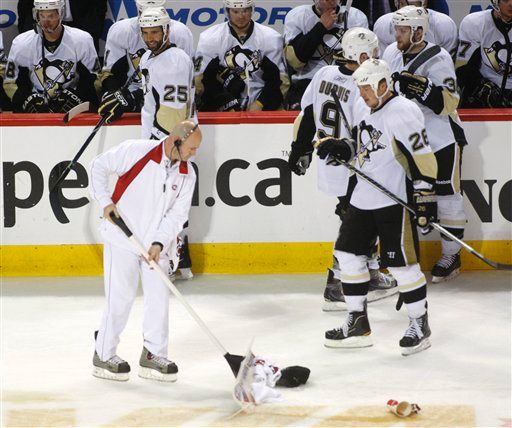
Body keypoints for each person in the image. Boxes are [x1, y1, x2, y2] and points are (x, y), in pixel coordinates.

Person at [317, 58, 437, 356]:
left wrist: (424, 199)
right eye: (359, 88)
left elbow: (423, 156)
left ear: (384, 84)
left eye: (367, 88)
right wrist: (342, 147)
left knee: (401, 265)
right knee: (347, 254)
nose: (362, 94)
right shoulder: (366, 105)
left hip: (394, 200)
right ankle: (357, 322)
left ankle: (419, 323)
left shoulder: (403, 111)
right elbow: (363, 146)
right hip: (363, 196)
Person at [288, 27, 397, 312]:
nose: (375, 57)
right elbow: (366, 131)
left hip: (329, 163)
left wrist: (300, 148)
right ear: (361, 54)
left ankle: (370, 273)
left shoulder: (324, 73)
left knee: (361, 217)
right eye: (372, 53)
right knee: (356, 223)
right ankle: (336, 285)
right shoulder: (362, 86)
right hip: (353, 164)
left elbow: (308, 113)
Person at [89, 120, 202, 382]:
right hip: (122, 238)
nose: (194, 153)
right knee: (121, 297)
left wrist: (159, 242)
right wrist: (105, 202)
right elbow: (98, 166)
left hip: (156, 246)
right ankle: (104, 354)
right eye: (191, 148)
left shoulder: (187, 173)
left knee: (158, 298)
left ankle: (153, 355)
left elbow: (178, 214)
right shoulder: (136, 151)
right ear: (176, 141)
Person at [383, 6, 468, 283]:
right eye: (396, 29)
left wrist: (426, 90)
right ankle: (404, 259)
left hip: (440, 137)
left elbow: (450, 103)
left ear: (419, 31)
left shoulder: (439, 58)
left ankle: (451, 254)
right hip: (406, 140)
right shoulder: (390, 54)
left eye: (403, 30)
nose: (397, 35)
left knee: (447, 198)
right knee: (403, 198)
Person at [98, 0, 194, 118]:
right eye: (145, 31)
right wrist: (116, 96)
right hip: (139, 101)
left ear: (166, 30)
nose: (149, 38)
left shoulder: (180, 47)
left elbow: (176, 87)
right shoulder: (142, 54)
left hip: (169, 108)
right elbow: (111, 72)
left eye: (154, 31)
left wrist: (133, 98)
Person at [3, 0, 100, 113]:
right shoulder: (21, 43)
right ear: (36, 15)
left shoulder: (82, 40)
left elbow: (95, 79)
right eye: (42, 16)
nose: (46, 22)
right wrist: (26, 100)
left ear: (61, 14)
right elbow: (10, 83)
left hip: (73, 111)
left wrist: (78, 97)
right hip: (36, 110)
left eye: (51, 16)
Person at [194, 0, 289, 112]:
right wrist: (226, 103)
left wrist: (261, 103)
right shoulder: (210, 38)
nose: (241, 16)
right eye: (235, 11)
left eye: (245, 10)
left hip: (263, 105)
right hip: (222, 106)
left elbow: (280, 80)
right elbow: (201, 81)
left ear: (252, 10)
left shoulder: (271, 38)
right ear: (227, 11)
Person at [283, 0, 368, 110]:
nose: (332, 2)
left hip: (347, 81)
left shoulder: (356, 17)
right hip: (308, 81)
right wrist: (320, 27)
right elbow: (295, 61)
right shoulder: (298, 16)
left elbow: (364, 61)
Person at [456, 0, 512, 108]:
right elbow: (463, 68)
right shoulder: (474, 23)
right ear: (496, 2)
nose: (511, 4)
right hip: (488, 87)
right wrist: (479, 86)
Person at [373, 0, 458, 60]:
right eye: (403, 4)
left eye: (414, 6)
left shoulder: (444, 25)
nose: (409, 11)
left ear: (425, 4)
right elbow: (385, 69)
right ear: (397, 3)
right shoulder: (383, 24)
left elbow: (445, 67)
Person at [17, 0, 107, 53]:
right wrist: (28, 34)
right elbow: (25, 8)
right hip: (43, 25)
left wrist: (89, 35)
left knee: (87, 75)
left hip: (82, 24)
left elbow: (97, 8)